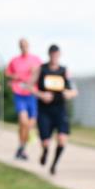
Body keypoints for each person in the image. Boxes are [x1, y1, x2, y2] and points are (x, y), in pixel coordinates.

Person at [35, 45, 78, 175]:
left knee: (62, 138)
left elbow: (74, 91)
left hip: (60, 108)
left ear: (59, 55)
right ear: (49, 55)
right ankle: (45, 152)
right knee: (46, 142)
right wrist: (41, 95)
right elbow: (30, 87)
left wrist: (69, 94)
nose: (54, 57)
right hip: (44, 109)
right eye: (52, 54)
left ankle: (54, 164)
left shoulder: (64, 71)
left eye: (56, 54)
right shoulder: (41, 69)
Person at [5, 38, 42, 160]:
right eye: (21, 45)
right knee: (23, 121)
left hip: (32, 94)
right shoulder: (14, 61)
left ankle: (21, 148)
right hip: (19, 93)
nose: (24, 47)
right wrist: (13, 77)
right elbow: (7, 73)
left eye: (25, 45)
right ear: (19, 47)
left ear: (29, 46)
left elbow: (42, 73)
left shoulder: (36, 60)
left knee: (30, 124)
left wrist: (36, 72)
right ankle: (22, 146)